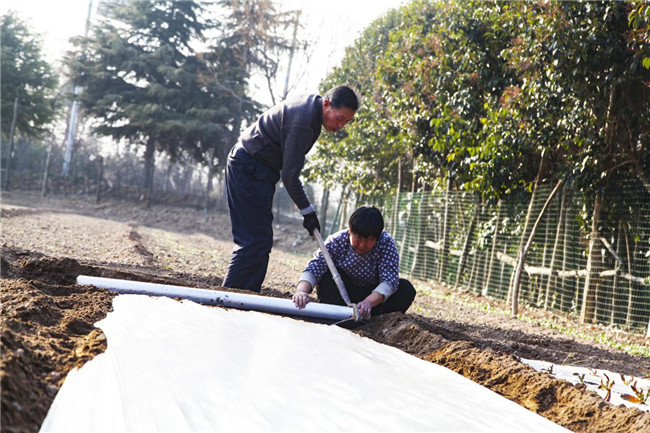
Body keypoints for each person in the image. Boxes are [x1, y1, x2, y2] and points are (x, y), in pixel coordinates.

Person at [223, 85, 359, 292]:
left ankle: (244, 296)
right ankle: (230, 298)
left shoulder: (312, 108)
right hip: (249, 166)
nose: (340, 126)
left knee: (259, 241)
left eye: (346, 122)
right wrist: (307, 211)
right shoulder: (304, 122)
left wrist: (307, 211)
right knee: (253, 241)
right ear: (326, 104)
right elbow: (290, 176)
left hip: (258, 168)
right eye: (339, 118)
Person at [292, 205, 416, 319]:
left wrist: (368, 302)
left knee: (405, 289)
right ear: (350, 231)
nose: (362, 245)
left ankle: (372, 319)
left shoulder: (386, 243)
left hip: (373, 298)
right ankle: (339, 316)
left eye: (368, 240)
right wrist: (301, 291)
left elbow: (389, 281)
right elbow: (314, 267)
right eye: (358, 238)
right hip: (341, 293)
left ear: (377, 238)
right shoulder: (336, 241)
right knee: (327, 276)